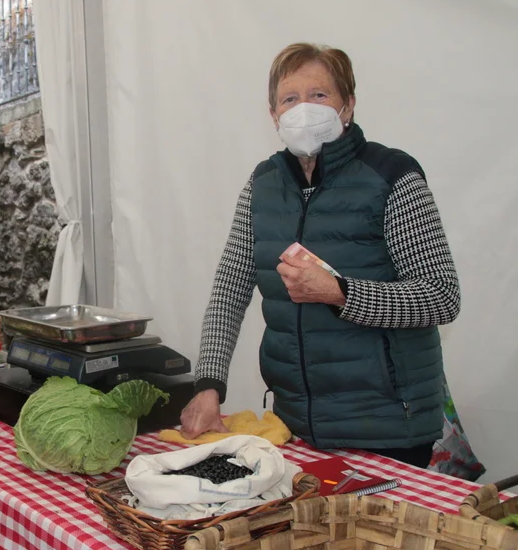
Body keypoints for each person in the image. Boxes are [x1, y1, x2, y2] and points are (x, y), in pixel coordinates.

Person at [179, 43, 461, 468]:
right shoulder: (263, 185)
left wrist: (340, 293)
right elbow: (228, 293)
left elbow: (440, 296)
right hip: (294, 425)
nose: (304, 109)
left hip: (386, 427)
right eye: (290, 99)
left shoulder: (392, 175)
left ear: (348, 105)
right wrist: (208, 385)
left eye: (319, 95)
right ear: (273, 114)